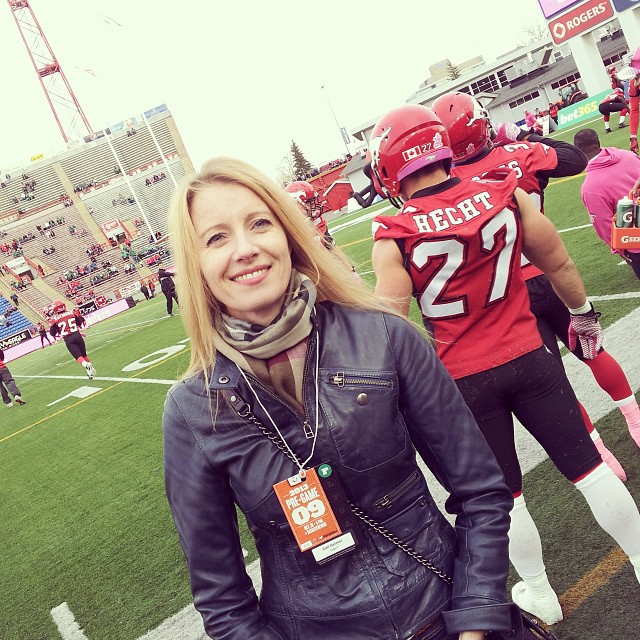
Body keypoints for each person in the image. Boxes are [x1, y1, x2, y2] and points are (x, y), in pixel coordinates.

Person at [162, 157, 515, 640]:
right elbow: (222, 600)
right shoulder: (191, 409)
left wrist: (475, 622)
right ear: (195, 266)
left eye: (259, 223)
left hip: (445, 617)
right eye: (216, 238)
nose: (245, 249)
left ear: (287, 234)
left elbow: (481, 493)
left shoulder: (387, 337)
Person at [369, 104, 640, 625]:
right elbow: (557, 260)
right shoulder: (503, 190)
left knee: (503, 497)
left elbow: (391, 327)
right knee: (588, 468)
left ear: (390, 165)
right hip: (529, 355)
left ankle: (540, 594)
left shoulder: (394, 229)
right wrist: (581, 314)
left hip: (463, 380)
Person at [432, 92, 640, 480]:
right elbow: (574, 158)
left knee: (552, 380)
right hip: (551, 274)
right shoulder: (522, 155)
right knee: (592, 348)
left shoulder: (447, 187)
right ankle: (634, 418)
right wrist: (524, 142)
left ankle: (599, 452)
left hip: (508, 294)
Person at [574, 127, 640, 285]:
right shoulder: (629, 156)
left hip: (634, 241)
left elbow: (603, 224)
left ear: (577, 151)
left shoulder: (590, 187)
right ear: (598, 142)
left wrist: (618, 248)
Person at [48, 301, 96, 379]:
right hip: (77, 335)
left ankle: (86, 365)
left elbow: (52, 333)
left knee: (78, 357)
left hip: (68, 338)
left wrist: (57, 329)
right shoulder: (71, 313)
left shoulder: (54, 319)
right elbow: (79, 322)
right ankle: (90, 372)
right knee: (84, 355)